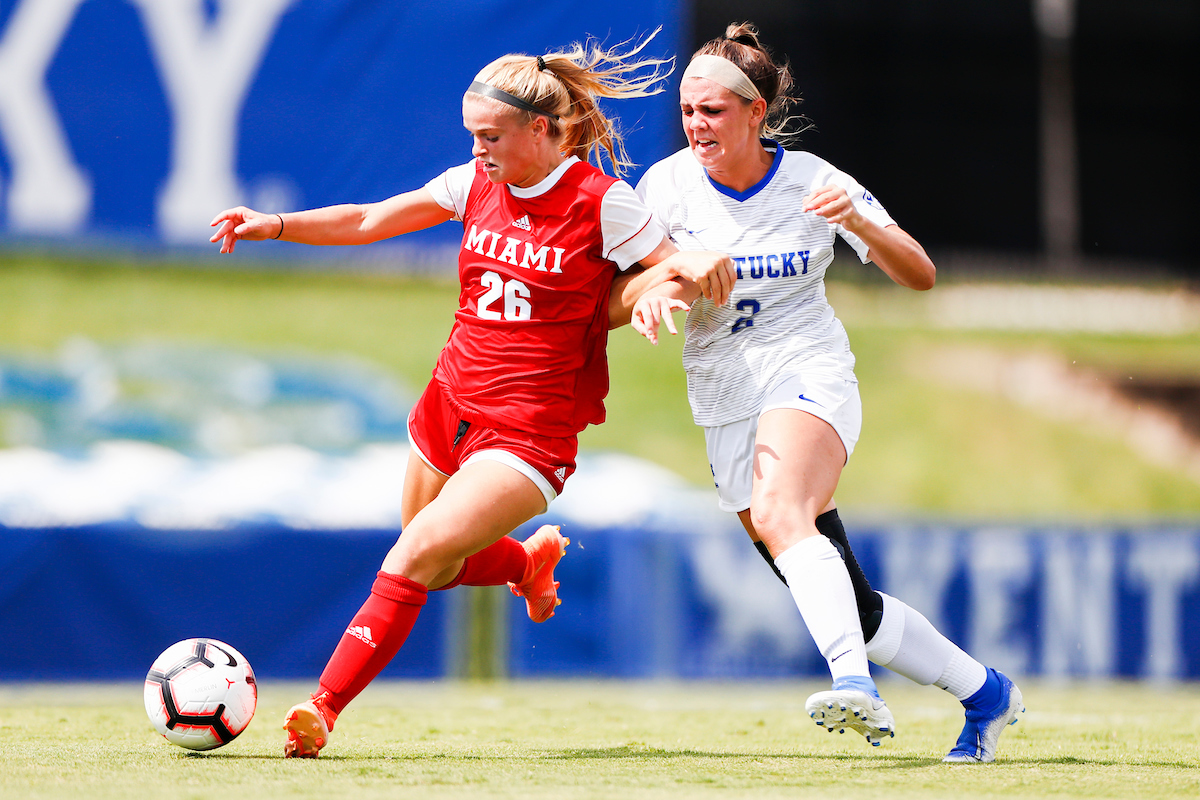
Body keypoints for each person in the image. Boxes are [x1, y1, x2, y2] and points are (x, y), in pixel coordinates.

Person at [210, 33, 735, 758]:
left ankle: (322, 709)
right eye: (472, 136)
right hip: (449, 402)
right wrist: (275, 226)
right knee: (437, 562)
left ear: (542, 130)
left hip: (529, 432)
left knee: (416, 552)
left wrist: (684, 272)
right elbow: (369, 219)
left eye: (491, 136)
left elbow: (674, 266)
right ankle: (525, 565)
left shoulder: (601, 201)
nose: (479, 149)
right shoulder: (473, 183)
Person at [630, 23, 1023, 763]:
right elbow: (628, 283)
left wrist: (861, 224)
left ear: (756, 111)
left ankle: (854, 686)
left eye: (712, 111)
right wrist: (655, 287)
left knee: (784, 512)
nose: (695, 127)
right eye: (688, 112)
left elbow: (921, 273)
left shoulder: (815, 180)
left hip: (808, 373)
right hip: (723, 398)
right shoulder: (667, 186)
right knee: (852, 602)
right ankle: (987, 695)